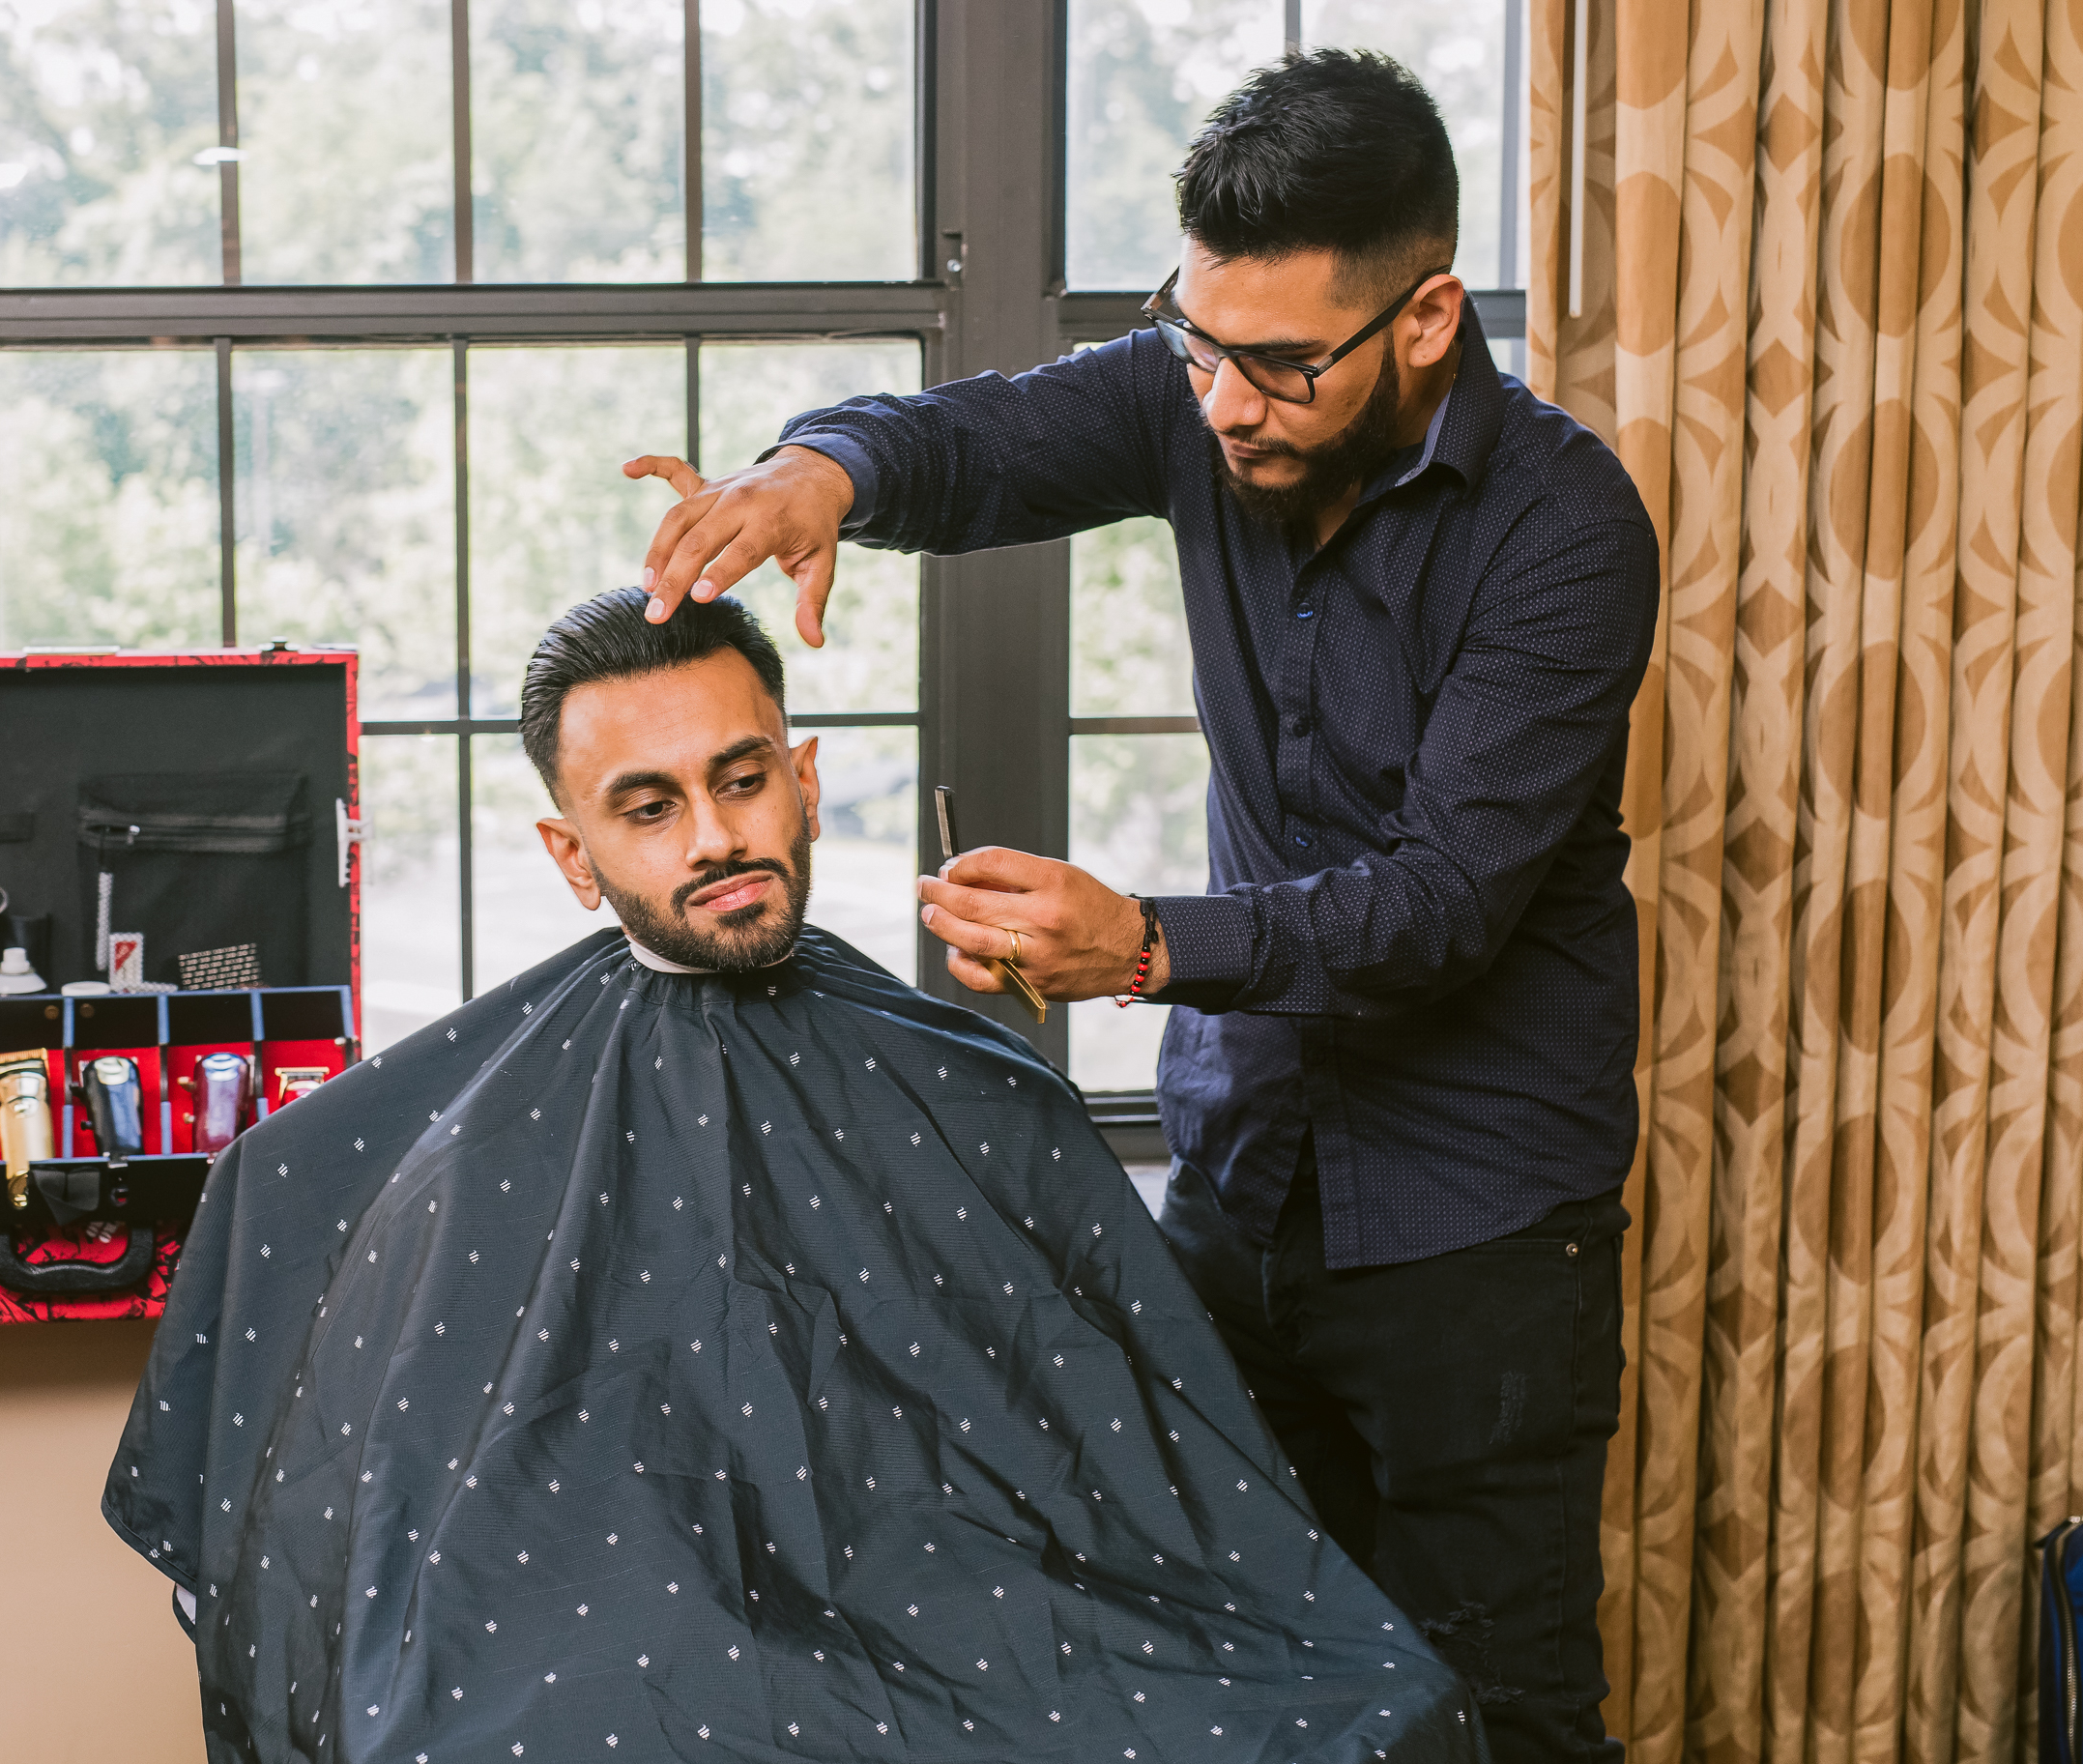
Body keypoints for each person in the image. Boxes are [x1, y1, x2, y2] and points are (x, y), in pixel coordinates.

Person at [620, 50, 1659, 1764]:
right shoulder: (1209, 385)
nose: (1225, 403)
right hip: (1240, 1186)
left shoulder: (1563, 527)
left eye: (1278, 364)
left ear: (1424, 319)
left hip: (1476, 1231)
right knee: (1248, 1676)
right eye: (1196, 343)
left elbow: (1440, 906)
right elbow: (975, 439)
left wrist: (1149, 945)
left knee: (1500, 1708)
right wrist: (820, 472)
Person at [105, 589, 1488, 1763]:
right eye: (647, 807)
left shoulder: (981, 1087)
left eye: (741, 777)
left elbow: (1146, 1480)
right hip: (597, 1635)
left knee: (1367, 1709)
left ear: (805, 778)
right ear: (572, 856)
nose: (713, 837)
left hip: (984, 1617)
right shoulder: (458, 1126)